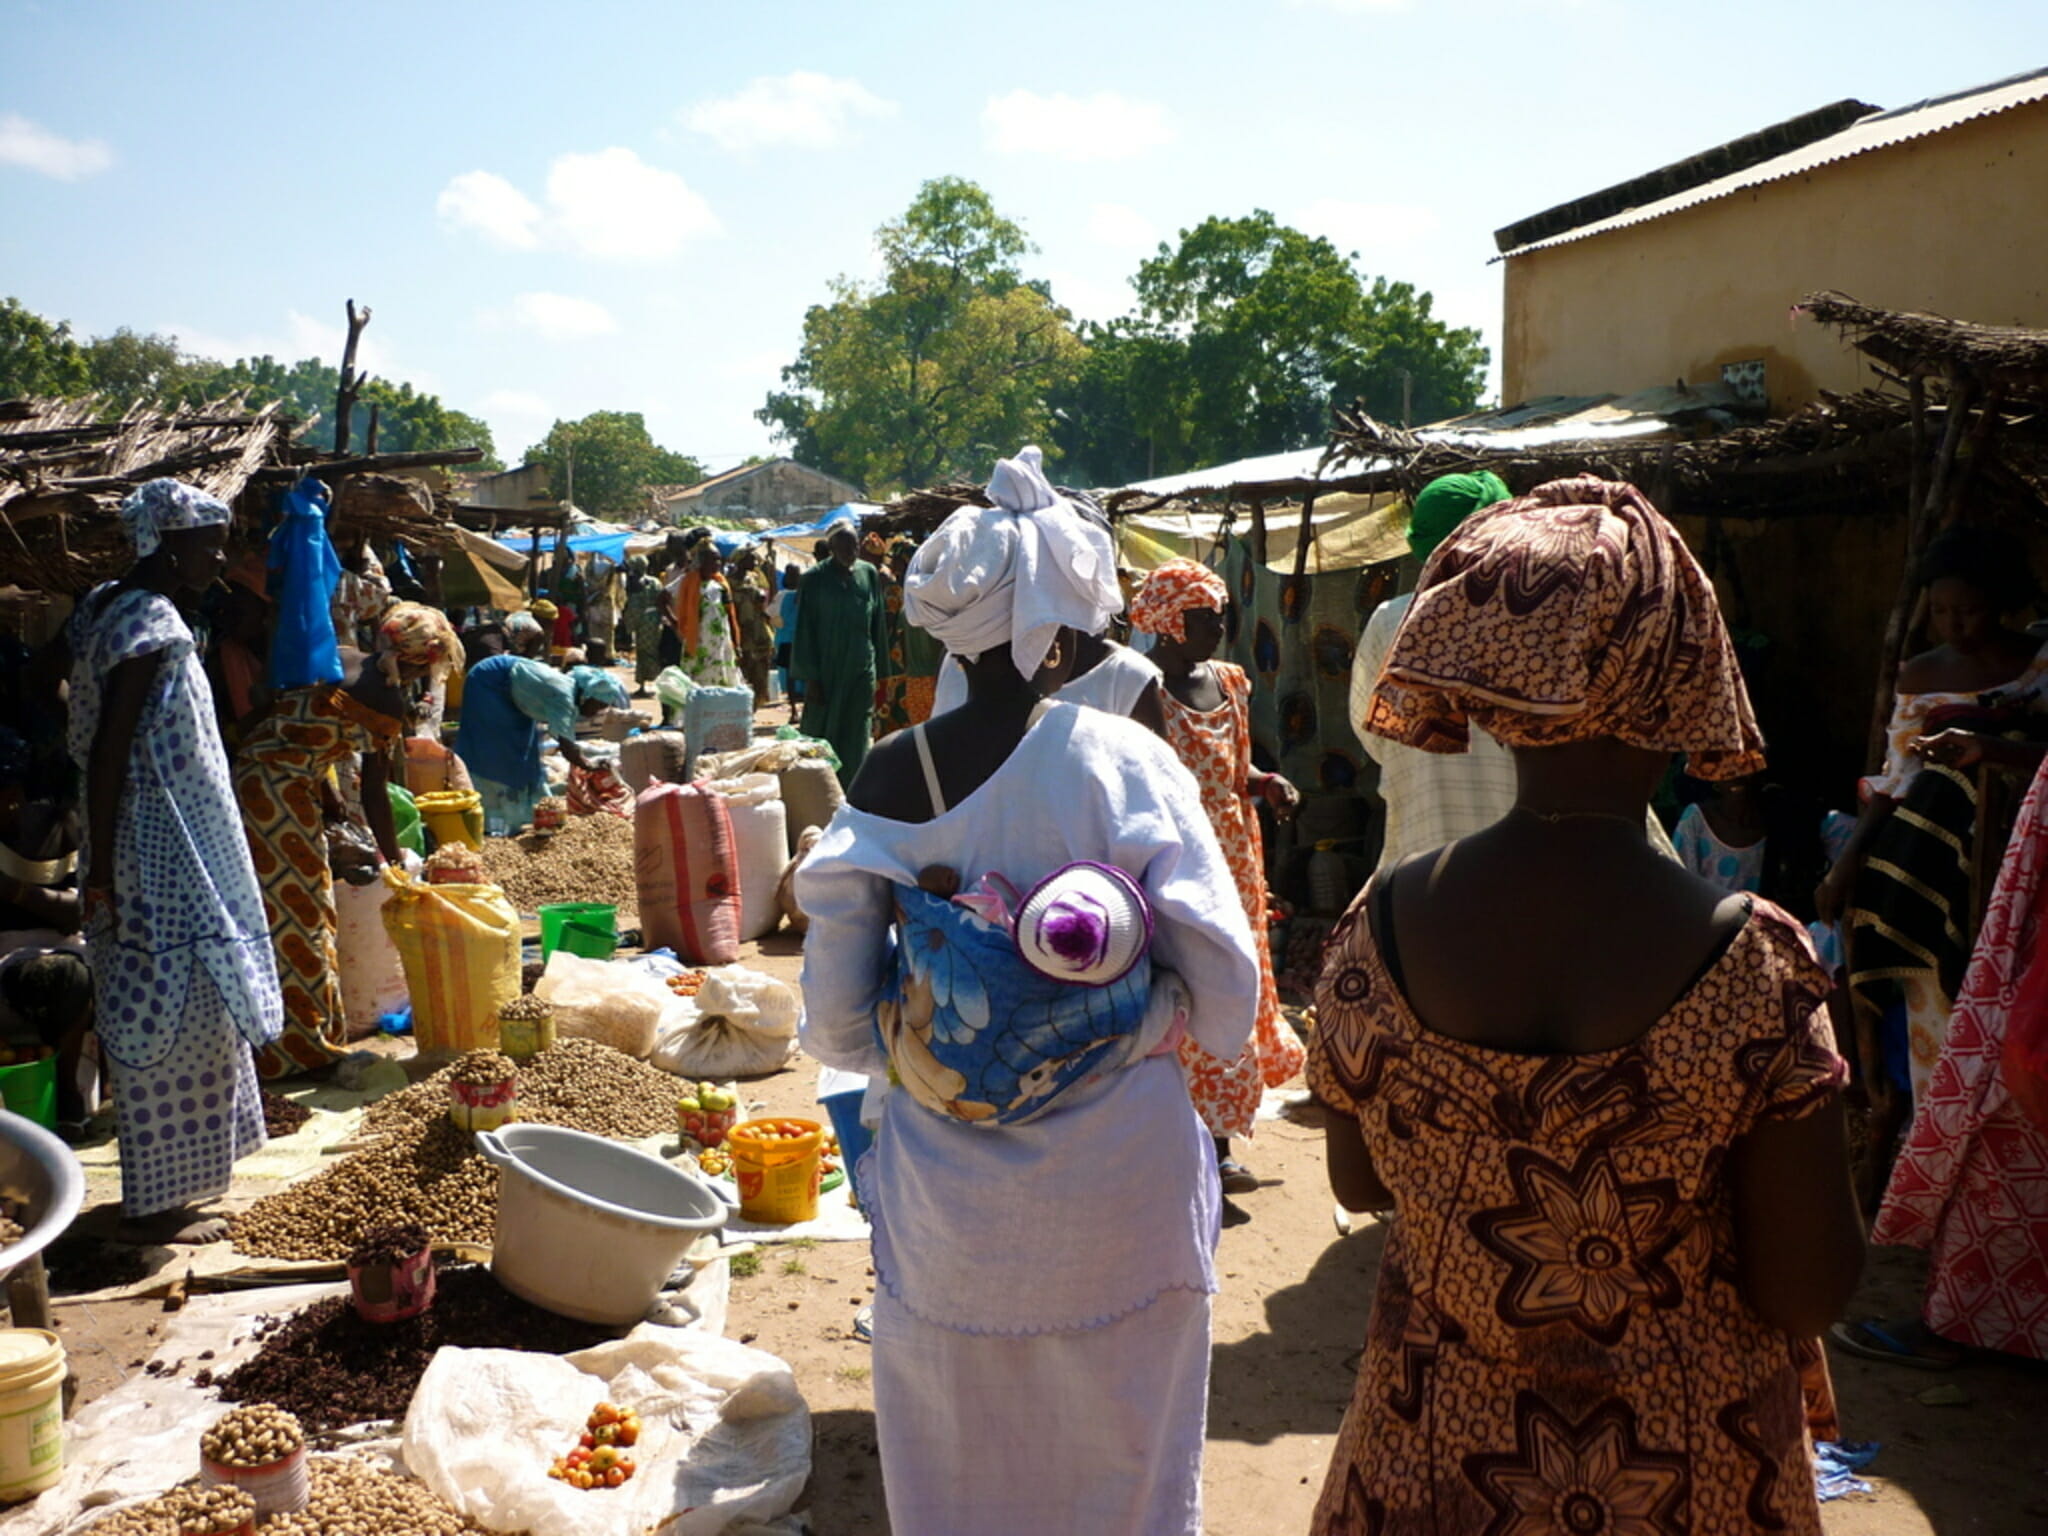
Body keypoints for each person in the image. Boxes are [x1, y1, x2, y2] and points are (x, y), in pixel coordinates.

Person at [1308, 476, 1863, 1535]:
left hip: (1425, 1470)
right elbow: (1805, 1293)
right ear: (1680, 673)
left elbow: (1358, 1178)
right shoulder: (1753, 969)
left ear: (1497, 686)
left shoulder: (1373, 934)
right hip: (1688, 1480)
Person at [797, 445, 1259, 1536]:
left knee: (959, 1460)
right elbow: (1228, 997)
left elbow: (831, 1023)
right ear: (1058, 626)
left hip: (949, 1210)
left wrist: (954, 1041)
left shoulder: (884, 775)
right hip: (1123, 1191)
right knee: (1129, 1460)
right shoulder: (1120, 760)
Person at [70, 480, 283, 1243]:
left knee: (193, 1000)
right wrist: (99, 870)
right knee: (174, 1005)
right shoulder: (146, 622)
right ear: (166, 541)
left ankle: (183, 1187)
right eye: (209, 540)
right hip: (160, 848)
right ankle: (157, 1207)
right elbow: (108, 751)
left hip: (160, 839)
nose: (222, 555)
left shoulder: (107, 606)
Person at [1819, 527, 2044, 1107]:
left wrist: (1993, 749)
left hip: (2024, 855)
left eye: (1969, 610)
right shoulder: (1919, 674)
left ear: (2002, 603)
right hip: (1937, 864)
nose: (1954, 625)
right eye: (1942, 611)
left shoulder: (2040, 665)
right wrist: (1848, 863)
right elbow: (1898, 780)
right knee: (1937, 1013)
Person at [1132, 558, 1306, 1199]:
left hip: (1237, 860)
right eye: (1205, 618)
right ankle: (1186, 1141)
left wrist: (1266, 781)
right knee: (1188, 989)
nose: (1218, 629)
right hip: (1179, 865)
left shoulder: (1230, 681)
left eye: (1219, 616)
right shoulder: (1143, 692)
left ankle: (1223, 1140)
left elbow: (1240, 765)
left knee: (1234, 987)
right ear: (1169, 622)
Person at [236, 602, 458, 1078]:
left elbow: (288, 718)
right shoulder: (387, 700)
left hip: (250, 777)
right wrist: (395, 864)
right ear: (421, 660)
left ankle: (275, 1039)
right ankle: (304, 1050)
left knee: (265, 912)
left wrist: (327, 793)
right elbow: (375, 795)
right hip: (279, 796)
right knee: (304, 917)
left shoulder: (342, 655)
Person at [1351, 472, 1515, 870]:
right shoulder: (1528, 616)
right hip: (1520, 850)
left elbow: (1370, 730)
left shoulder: (1390, 621)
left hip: (1422, 856)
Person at [459, 651, 626, 835]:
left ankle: (530, 810)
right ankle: (496, 817)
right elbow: (567, 745)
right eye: (597, 705)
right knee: (499, 749)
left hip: (512, 694)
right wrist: (590, 765)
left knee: (526, 747)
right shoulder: (563, 695)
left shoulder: (568, 693)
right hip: (489, 682)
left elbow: (567, 737)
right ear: (586, 695)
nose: (596, 712)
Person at [794, 524, 889, 781]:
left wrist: (883, 672)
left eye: (855, 546)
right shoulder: (814, 579)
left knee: (858, 731)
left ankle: (853, 789)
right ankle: (820, 789)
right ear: (832, 547)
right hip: (826, 670)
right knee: (823, 732)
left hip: (861, 666)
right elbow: (805, 630)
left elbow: (877, 622)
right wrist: (810, 677)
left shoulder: (868, 574)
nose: (851, 551)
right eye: (845, 546)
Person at [669, 532, 744, 690]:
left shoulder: (721, 584)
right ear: (701, 561)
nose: (718, 563)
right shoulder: (687, 580)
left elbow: (730, 614)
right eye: (713, 559)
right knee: (698, 684)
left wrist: (737, 644)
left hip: (721, 642)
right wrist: (675, 623)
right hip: (698, 642)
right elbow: (661, 599)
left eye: (718, 559)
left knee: (722, 681)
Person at [728, 544, 779, 707]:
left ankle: (757, 701)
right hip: (741, 630)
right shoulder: (729, 583)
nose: (754, 561)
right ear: (740, 560)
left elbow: (765, 596)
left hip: (758, 628)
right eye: (750, 558)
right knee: (744, 667)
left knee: (762, 665)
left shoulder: (754, 578)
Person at [623, 555, 666, 694]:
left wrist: (630, 625)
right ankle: (658, 683)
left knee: (643, 653)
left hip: (642, 622)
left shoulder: (635, 584)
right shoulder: (655, 582)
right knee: (653, 652)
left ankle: (643, 684)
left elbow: (633, 607)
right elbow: (661, 601)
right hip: (654, 621)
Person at [775, 562, 803, 720]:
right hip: (789, 640)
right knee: (791, 674)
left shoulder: (803, 594)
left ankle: (797, 709)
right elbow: (772, 615)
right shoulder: (782, 596)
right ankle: (793, 710)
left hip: (799, 639)